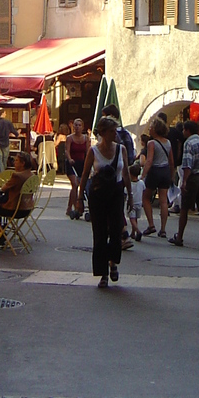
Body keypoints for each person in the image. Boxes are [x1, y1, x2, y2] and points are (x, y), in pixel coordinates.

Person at [77, 114, 133, 288]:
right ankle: (103, 274)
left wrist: (130, 194)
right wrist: (79, 198)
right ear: (102, 132)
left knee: (116, 231)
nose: (115, 134)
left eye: (115, 131)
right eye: (111, 131)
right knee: (100, 233)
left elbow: (125, 173)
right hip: (98, 194)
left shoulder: (121, 149)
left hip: (116, 192)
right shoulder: (93, 151)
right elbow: (85, 175)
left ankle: (113, 262)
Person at [0, 150, 35, 240]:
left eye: (16, 161)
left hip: (13, 208)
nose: (14, 162)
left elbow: (3, 188)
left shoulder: (17, 176)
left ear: (22, 163)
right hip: (26, 208)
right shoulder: (32, 175)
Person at [168, 120, 199, 246]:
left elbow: (187, 164)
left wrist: (184, 181)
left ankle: (179, 236)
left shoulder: (189, 143)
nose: (183, 132)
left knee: (184, 209)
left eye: (184, 130)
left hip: (193, 177)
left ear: (188, 131)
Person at [141, 116, 174, 237]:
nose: (149, 129)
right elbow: (171, 161)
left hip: (155, 170)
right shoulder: (168, 142)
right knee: (163, 200)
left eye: (150, 127)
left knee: (146, 197)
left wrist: (143, 175)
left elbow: (149, 161)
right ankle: (163, 229)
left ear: (155, 129)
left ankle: (151, 225)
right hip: (165, 171)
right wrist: (171, 174)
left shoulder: (152, 143)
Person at [64, 117, 90, 219]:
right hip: (71, 163)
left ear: (82, 127)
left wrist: (89, 162)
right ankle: (72, 207)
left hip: (82, 163)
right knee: (74, 184)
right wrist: (69, 159)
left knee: (83, 184)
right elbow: (67, 150)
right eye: (75, 125)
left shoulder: (86, 138)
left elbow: (88, 152)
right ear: (73, 126)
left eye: (79, 125)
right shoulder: (70, 138)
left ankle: (75, 205)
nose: (77, 127)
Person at [127, 162, 145, 241]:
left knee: (132, 219)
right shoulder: (141, 183)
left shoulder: (129, 184)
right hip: (139, 203)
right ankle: (133, 232)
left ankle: (138, 231)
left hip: (132, 203)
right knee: (136, 218)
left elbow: (125, 192)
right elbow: (144, 191)